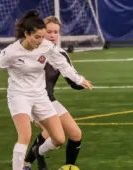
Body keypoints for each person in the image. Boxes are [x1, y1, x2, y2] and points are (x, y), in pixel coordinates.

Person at [0, 9, 93, 170]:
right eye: (38, 37)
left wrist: (80, 79)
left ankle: (38, 152)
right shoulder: (12, 51)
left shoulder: (46, 46)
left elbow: (63, 65)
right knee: (25, 136)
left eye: (44, 36)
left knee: (59, 138)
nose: (42, 40)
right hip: (19, 95)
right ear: (26, 34)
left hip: (41, 96)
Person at [23, 16, 84, 170]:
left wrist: (81, 83)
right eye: (49, 31)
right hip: (33, 102)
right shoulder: (33, 52)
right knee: (51, 134)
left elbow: (72, 81)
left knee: (76, 134)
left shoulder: (61, 55)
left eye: (56, 32)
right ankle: (28, 162)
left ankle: (68, 167)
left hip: (50, 100)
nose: (52, 35)